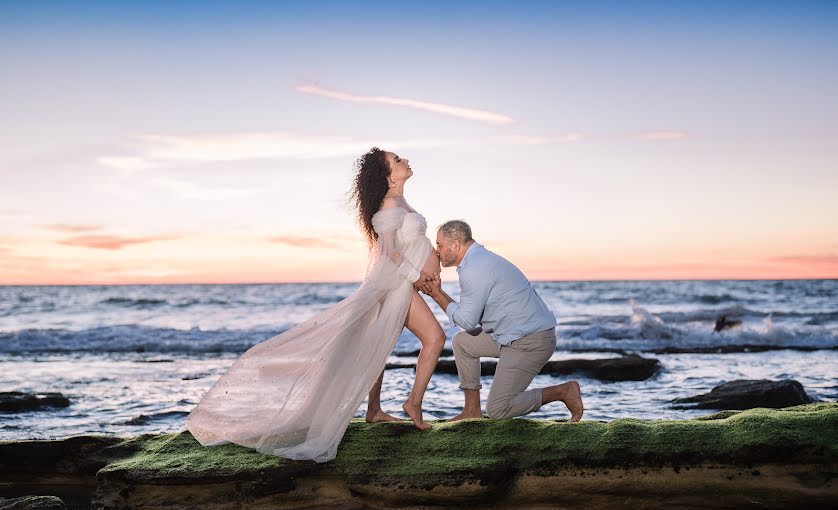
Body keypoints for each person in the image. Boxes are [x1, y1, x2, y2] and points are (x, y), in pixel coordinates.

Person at [185, 148, 444, 462]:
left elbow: (410, 244)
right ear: (388, 176)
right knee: (434, 338)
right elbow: (390, 252)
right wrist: (417, 276)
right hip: (395, 285)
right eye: (397, 160)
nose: (405, 160)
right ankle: (412, 404)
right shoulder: (390, 204)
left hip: (399, 285)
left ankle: (374, 410)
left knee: (378, 344)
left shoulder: (400, 201)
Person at [418, 220, 584, 422]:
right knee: (462, 343)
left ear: (455, 245)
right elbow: (470, 319)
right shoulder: (477, 261)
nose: (437, 251)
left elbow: (468, 322)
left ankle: (563, 391)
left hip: (530, 342)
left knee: (498, 410)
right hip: (510, 336)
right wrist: (438, 293)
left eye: (440, 245)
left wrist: (437, 294)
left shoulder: (475, 269)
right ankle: (472, 410)